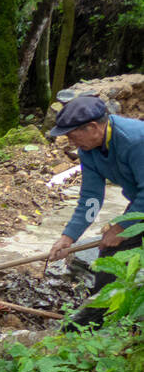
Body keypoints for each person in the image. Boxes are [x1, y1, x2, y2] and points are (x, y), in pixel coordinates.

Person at [46, 95, 144, 327]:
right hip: (140, 204)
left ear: (92, 127)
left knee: (118, 237)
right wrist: (68, 237)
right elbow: (91, 197)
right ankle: (97, 319)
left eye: (71, 135)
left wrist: (122, 227)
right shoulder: (88, 150)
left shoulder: (135, 140)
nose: (69, 142)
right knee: (112, 251)